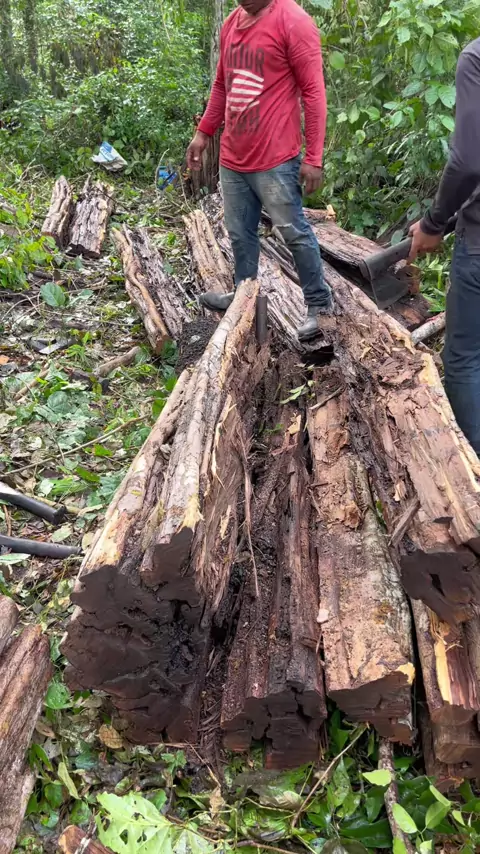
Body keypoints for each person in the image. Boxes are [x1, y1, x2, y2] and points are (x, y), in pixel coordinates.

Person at [186, 0, 332, 341]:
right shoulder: (232, 24)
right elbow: (222, 85)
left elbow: (313, 92)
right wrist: (203, 133)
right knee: (239, 232)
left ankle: (319, 304)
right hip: (233, 157)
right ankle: (243, 295)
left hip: (276, 159)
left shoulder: (293, 22)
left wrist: (314, 157)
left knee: (293, 232)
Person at [409, 36, 480, 453]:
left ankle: (473, 471)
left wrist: (434, 223)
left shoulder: (476, 56)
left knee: (465, 358)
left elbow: (469, 162)